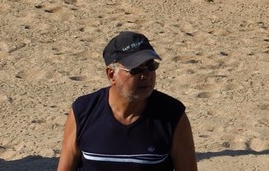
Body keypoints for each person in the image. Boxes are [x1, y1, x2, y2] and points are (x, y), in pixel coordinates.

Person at [57, 30, 197, 171]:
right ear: (111, 74)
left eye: (151, 66)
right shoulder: (83, 111)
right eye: (136, 69)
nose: (146, 75)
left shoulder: (173, 115)